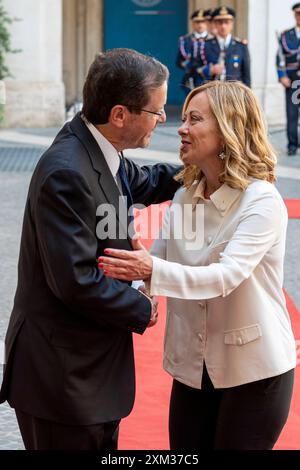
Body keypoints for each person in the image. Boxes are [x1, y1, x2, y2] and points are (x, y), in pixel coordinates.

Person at [99, 81, 296, 450]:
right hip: (192, 368)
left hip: (255, 372)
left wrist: (149, 271)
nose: (181, 128)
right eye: (184, 118)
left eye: (195, 119)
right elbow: (157, 262)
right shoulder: (183, 195)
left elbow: (225, 277)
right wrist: (140, 293)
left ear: (228, 130)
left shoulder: (262, 200)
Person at [0, 48, 181, 450]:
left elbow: (146, 180)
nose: (164, 119)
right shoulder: (67, 170)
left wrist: (206, 167)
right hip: (61, 379)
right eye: (156, 111)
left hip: (89, 374)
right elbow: (76, 281)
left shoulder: (97, 146)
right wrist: (143, 306)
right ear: (120, 115)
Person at [202, 6, 251, 87]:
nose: (223, 26)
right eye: (220, 22)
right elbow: (196, 69)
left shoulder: (241, 46)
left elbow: (247, 75)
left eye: (226, 22)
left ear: (232, 24)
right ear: (215, 24)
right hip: (212, 91)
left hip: (234, 92)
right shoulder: (206, 45)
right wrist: (209, 70)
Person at [277, 3, 300, 156]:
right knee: (292, 113)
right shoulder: (286, 35)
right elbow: (279, 58)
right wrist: (281, 76)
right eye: (298, 14)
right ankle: (292, 144)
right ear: (294, 15)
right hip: (293, 81)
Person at [176, 9, 211, 96]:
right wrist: (185, 64)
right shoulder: (185, 40)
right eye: (197, 22)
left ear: (207, 23)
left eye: (202, 22)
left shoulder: (212, 40)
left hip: (208, 79)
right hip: (191, 78)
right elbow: (178, 61)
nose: (200, 25)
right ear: (192, 23)